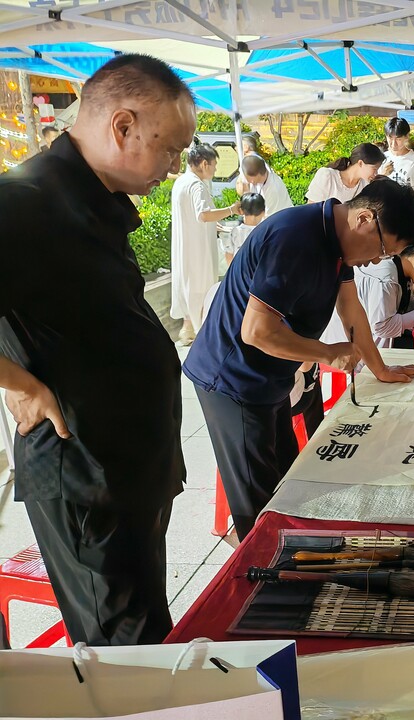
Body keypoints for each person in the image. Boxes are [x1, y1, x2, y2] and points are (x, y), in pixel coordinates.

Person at [0, 53, 194, 646]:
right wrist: (21, 383)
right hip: (87, 476)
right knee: (122, 651)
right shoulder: (24, 201)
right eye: (169, 147)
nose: (177, 164)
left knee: (147, 633)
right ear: (123, 126)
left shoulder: (92, 198)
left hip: (131, 464)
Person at [182, 179, 414, 540]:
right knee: (257, 498)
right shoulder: (295, 238)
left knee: (284, 482)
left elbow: (350, 307)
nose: (376, 260)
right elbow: (257, 332)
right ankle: (263, 575)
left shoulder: (338, 240)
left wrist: (381, 368)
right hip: (234, 380)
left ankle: (285, 555)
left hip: (272, 376)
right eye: (381, 250)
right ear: (365, 219)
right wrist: (328, 353)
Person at [323, 239, 414, 349]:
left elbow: (396, 302)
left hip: (371, 345)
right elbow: (381, 327)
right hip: (350, 349)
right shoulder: (386, 278)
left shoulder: (402, 270)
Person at [171, 140, 240, 345]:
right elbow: (203, 215)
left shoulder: (181, 182)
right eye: (213, 164)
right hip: (197, 249)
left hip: (187, 246)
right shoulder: (195, 185)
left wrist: (216, 225)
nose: (215, 168)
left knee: (189, 287)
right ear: (203, 163)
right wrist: (231, 209)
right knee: (201, 289)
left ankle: (188, 330)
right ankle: (203, 337)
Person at [306, 143, 384, 204]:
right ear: (360, 163)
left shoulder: (366, 186)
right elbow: (310, 210)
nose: (376, 173)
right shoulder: (328, 176)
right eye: (374, 169)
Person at [380, 117, 414, 198]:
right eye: (390, 138)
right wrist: (382, 175)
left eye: (398, 139)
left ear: (407, 136)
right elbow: (373, 189)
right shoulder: (381, 158)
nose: (393, 143)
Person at [221, 192, 266, 266]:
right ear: (263, 212)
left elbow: (229, 255)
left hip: (239, 272)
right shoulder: (265, 232)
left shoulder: (235, 232)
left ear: (241, 210)